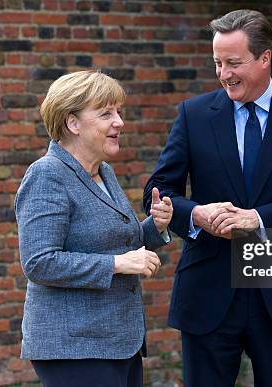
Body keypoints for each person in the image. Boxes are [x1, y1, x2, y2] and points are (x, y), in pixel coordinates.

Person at [143, 9, 272, 386]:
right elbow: (158, 193)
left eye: (234, 62)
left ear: (265, 58)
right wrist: (196, 214)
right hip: (208, 290)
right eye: (217, 62)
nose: (223, 73)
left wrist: (257, 218)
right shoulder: (193, 114)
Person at [15, 70, 173, 387]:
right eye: (105, 114)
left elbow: (113, 242)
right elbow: (39, 262)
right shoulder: (47, 174)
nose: (119, 122)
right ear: (73, 123)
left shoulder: (103, 172)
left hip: (118, 340)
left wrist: (154, 227)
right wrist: (117, 264)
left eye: (118, 112)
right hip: (74, 346)